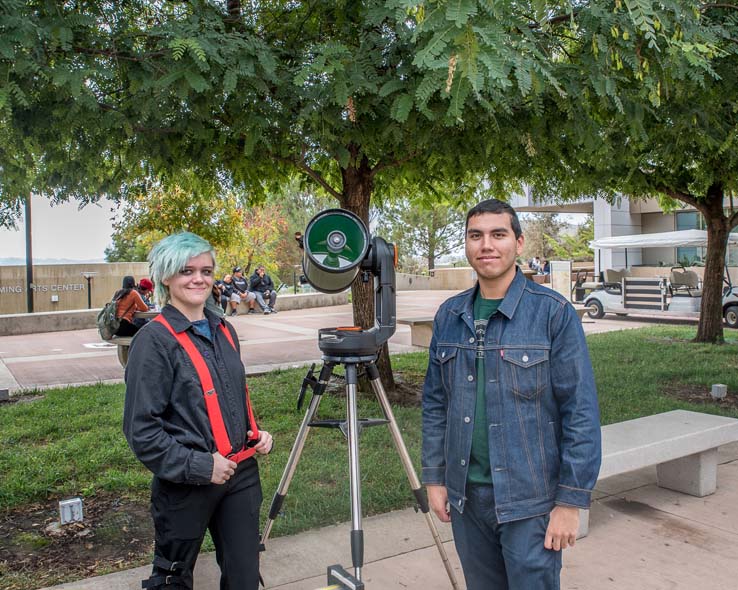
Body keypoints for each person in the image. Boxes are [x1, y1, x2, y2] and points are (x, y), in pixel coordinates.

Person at [421, 198, 601, 590]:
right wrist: (435, 479)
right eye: (476, 235)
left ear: (519, 243)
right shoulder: (449, 316)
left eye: (498, 234)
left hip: (530, 502)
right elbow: (436, 404)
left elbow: (581, 411)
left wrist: (570, 503)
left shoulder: (552, 314)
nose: (487, 244)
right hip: (468, 498)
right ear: (467, 245)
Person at [123, 232, 274, 590]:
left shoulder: (224, 329)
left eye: (206, 271)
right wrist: (203, 466)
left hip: (240, 475)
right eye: (186, 270)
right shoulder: (154, 342)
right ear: (166, 276)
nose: (198, 279)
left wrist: (254, 432)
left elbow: (227, 397)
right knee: (172, 579)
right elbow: (142, 432)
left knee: (244, 578)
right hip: (185, 485)